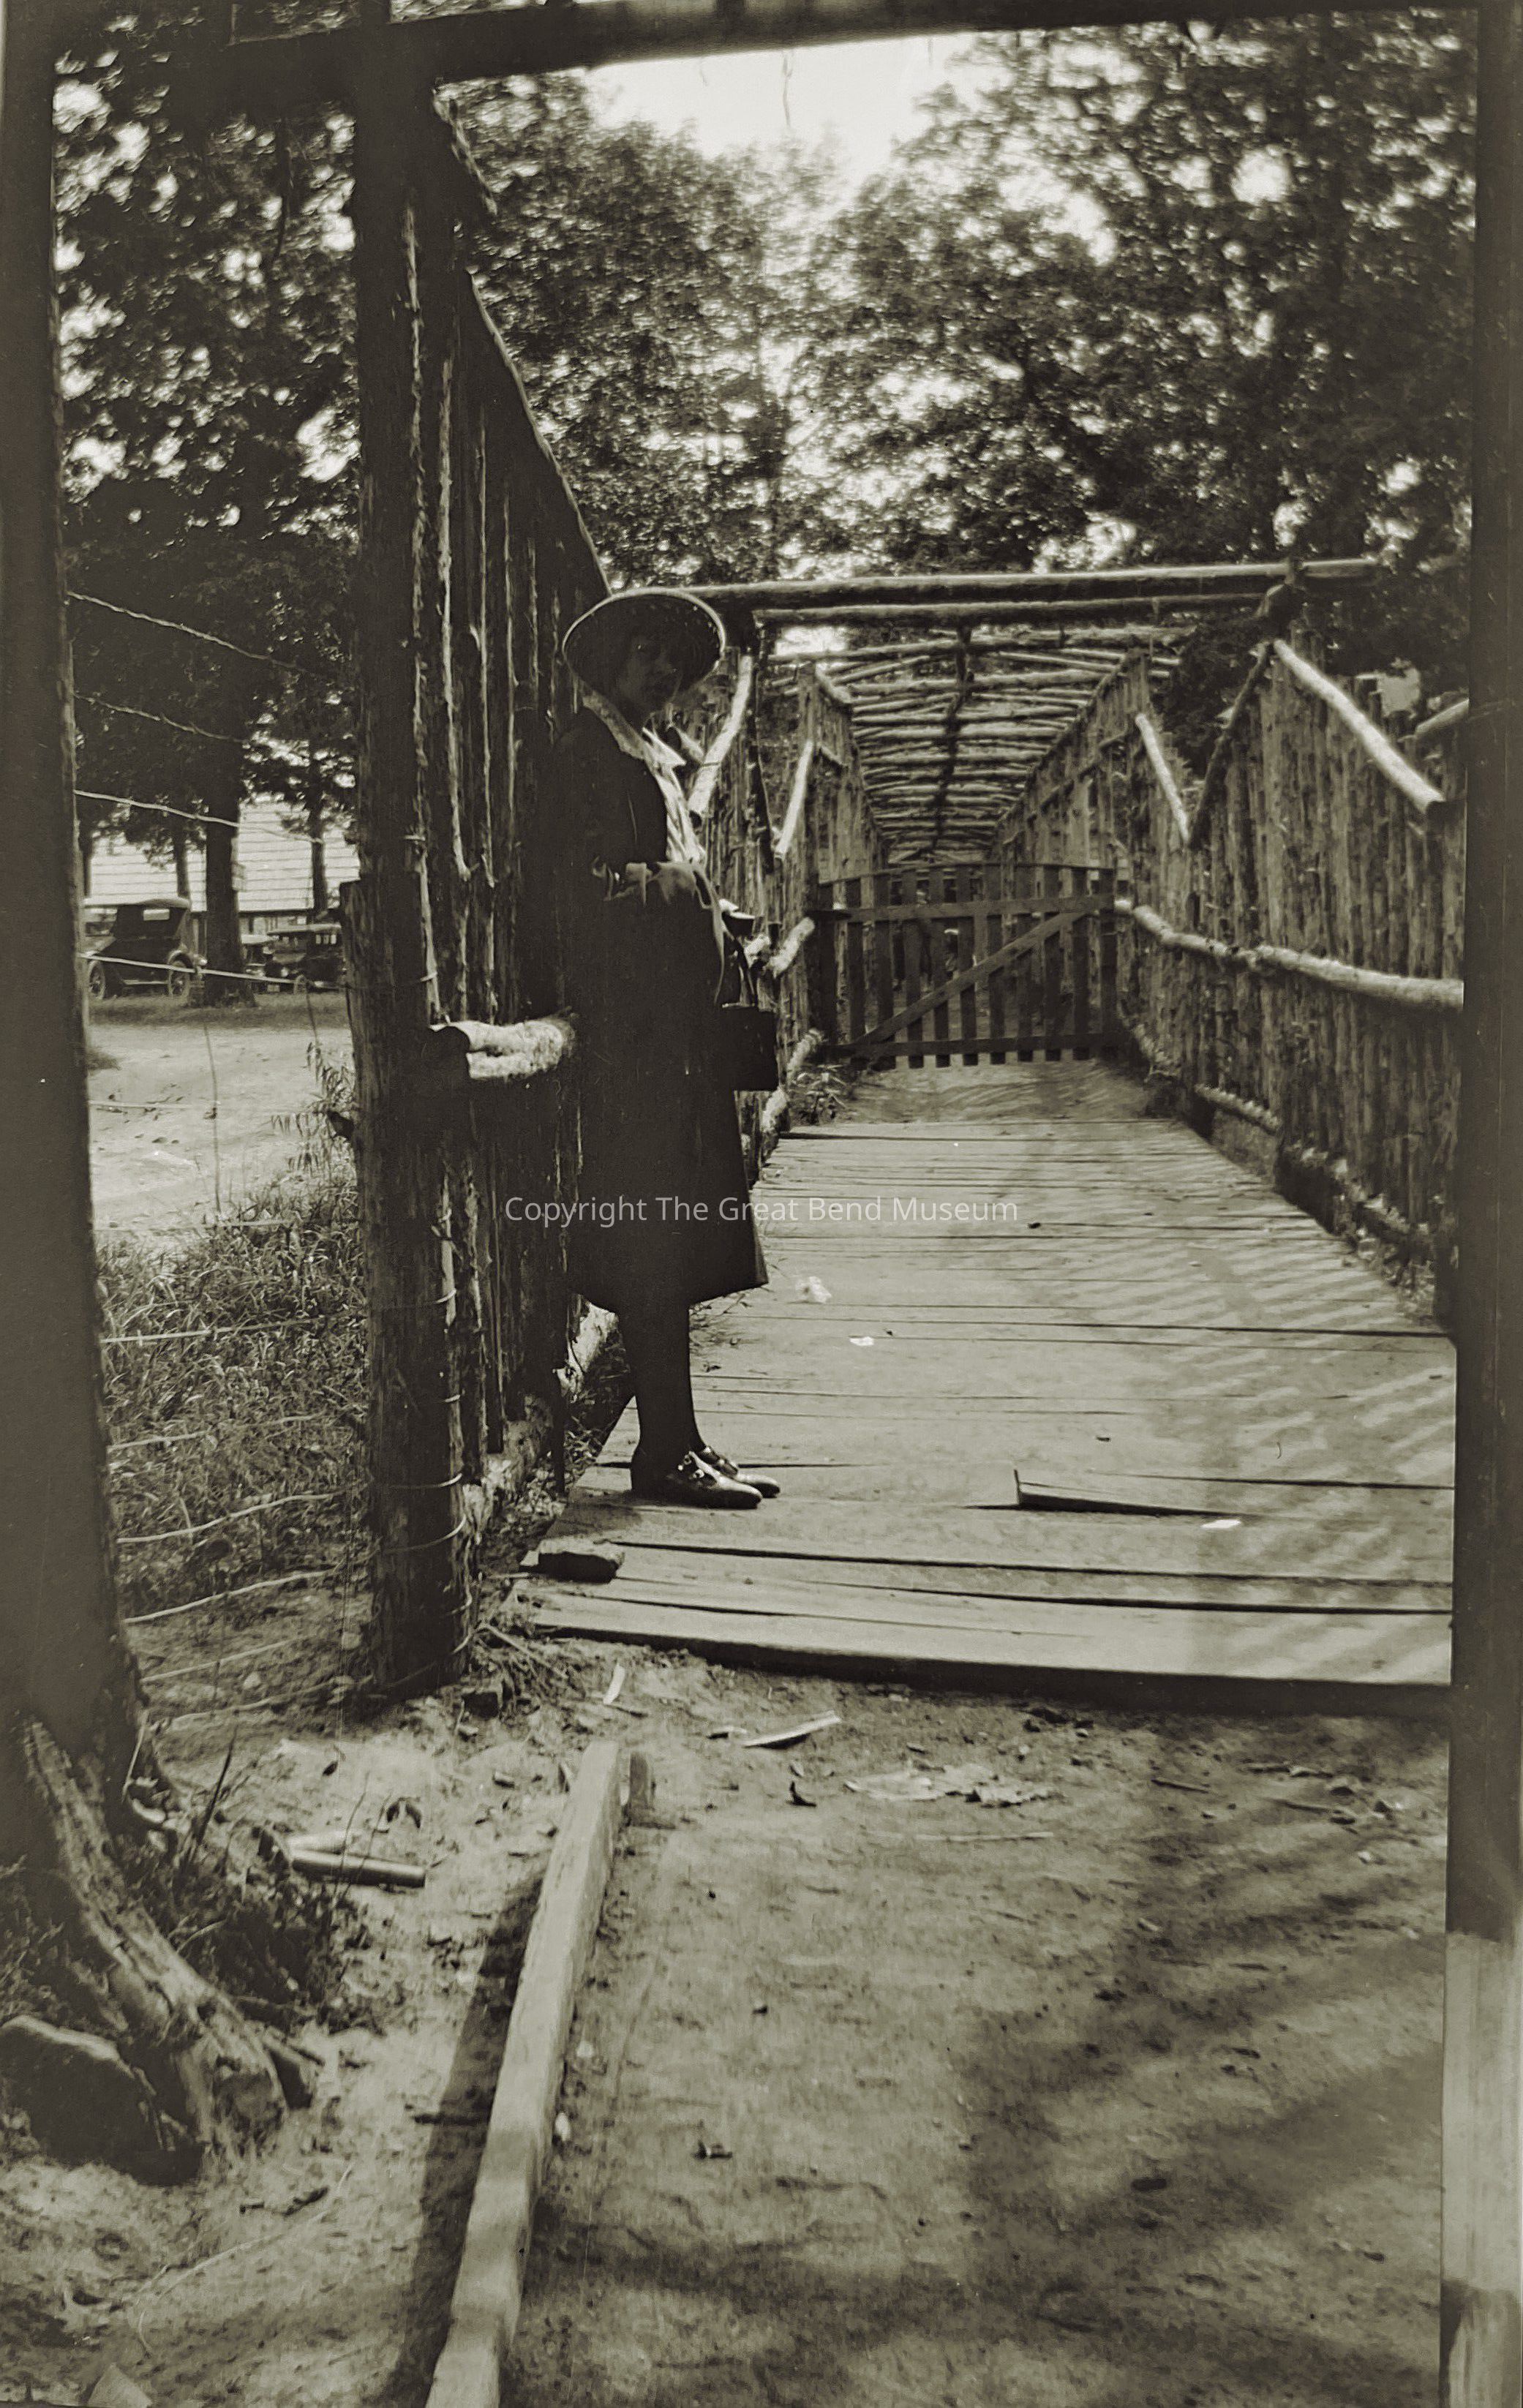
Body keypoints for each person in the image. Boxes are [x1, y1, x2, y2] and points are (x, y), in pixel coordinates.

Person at [552, 587, 780, 1509]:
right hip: (630, 1036)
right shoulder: (584, 756)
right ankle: (661, 1454)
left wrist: (719, 916)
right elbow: (582, 896)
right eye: (647, 652)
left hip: (671, 1033)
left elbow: (661, 881)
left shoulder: (650, 753)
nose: (663, 672)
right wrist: (695, 898)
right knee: (651, 1241)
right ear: (611, 657)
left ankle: (679, 1440)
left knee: (675, 1238)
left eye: (675, 663)